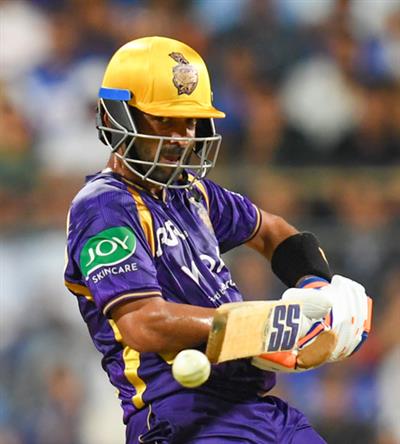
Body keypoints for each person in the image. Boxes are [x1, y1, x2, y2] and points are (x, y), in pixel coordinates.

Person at [64, 36, 371, 443]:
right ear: (118, 117)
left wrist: (318, 286)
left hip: (257, 408)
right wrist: (265, 328)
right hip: (182, 419)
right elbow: (143, 324)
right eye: (164, 120)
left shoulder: (193, 193)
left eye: (189, 121)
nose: (181, 137)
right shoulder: (103, 206)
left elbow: (272, 231)